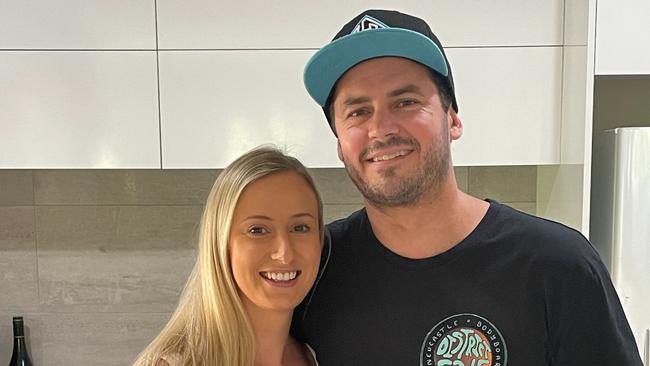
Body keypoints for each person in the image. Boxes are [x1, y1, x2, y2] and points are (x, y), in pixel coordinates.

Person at [292, 9, 642, 366]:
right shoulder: (314, 269)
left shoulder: (559, 266)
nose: (381, 128)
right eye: (357, 111)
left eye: (406, 102)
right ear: (339, 143)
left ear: (452, 120)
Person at [132, 146, 323, 366]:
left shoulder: (313, 355)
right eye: (257, 230)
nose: (284, 253)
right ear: (220, 244)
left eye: (300, 228)